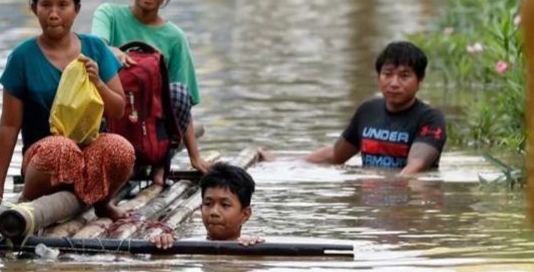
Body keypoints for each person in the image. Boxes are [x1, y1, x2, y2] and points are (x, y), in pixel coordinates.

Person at [0, 0, 135, 221]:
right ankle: (30, 200)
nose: (54, 14)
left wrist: (98, 83)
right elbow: (8, 125)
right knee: (62, 149)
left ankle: (102, 202)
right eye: (46, 5)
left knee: (121, 149)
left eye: (63, 5)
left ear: (77, 9)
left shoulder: (95, 48)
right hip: (45, 160)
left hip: (89, 154)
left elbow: (118, 109)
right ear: (33, 8)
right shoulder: (22, 57)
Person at [91, 0, 210, 185]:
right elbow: (95, 47)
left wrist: (194, 156)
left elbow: (182, 105)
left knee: (177, 92)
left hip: (152, 133)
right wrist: (111, 50)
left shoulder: (175, 38)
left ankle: (159, 166)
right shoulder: (109, 15)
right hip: (112, 121)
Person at [260, 40, 447, 175]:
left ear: (420, 81)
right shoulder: (368, 111)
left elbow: (414, 169)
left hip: (408, 199)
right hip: (371, 199)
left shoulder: (430, 119)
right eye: (387, 74)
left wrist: (391, 197)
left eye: (404, 76)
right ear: (379, 76)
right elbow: (335, 155)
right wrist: (281, 164)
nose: (394, 83)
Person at [149, 162, 263, 249]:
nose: (214, 212)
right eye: (208, 204)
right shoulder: (184, 246)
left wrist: (255, 250)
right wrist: (163, 245)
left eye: (225, 205)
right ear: (200, 208)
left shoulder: (253, 248)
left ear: (245, 214)